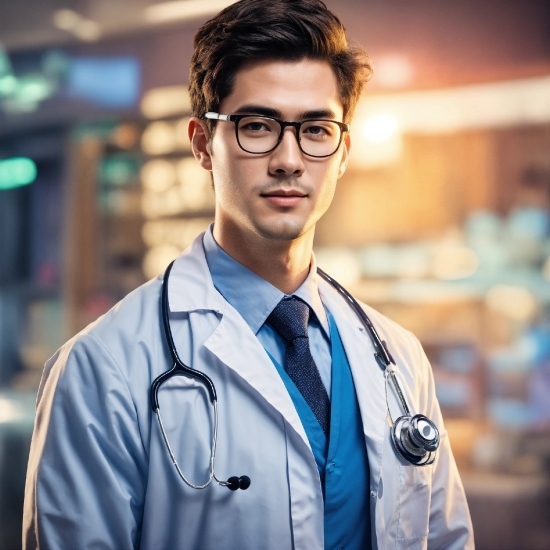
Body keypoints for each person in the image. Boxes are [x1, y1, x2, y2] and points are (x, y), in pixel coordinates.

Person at [23, 0, 474, 548]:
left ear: (343, 150)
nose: (288, 158)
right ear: (201, 144)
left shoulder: (398, 359)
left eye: (315, 128)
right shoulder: (103, 368)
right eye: (257, 126)